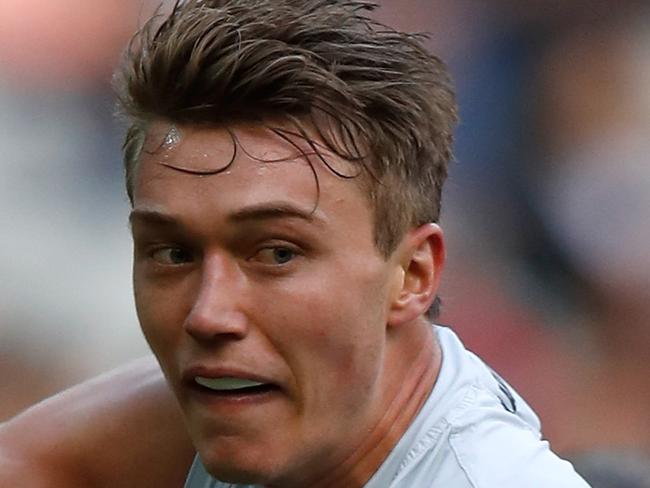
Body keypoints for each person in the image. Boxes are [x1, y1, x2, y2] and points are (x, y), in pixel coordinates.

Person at [0, 1, 591, 486]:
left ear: (412, 275)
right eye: (174, 253)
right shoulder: (245, 400)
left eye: (278, 253)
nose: (209, 315)